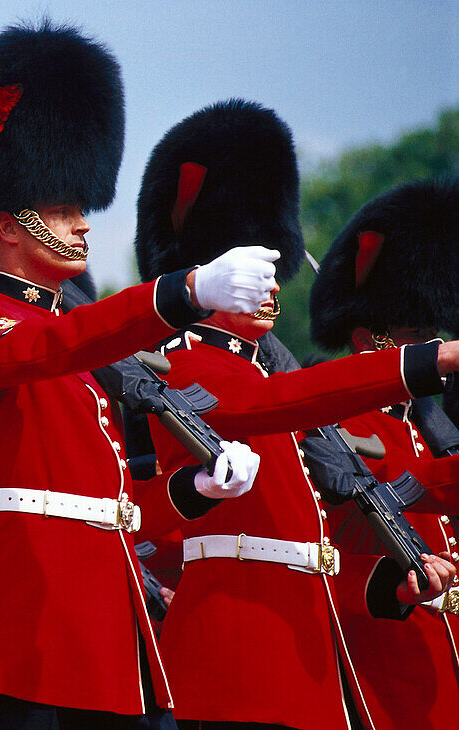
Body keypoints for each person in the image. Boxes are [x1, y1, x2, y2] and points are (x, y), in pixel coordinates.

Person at [0, 22, 270, 729]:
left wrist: (193, 490)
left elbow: (111, 510)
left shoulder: (80, 363)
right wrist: (185, 291)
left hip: (106, 641)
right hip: (23, 632)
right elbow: (56, 344)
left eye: (81, 207)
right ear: (10, 224)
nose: (82, 225)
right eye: (61, 208)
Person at [134, 100, 457, 730]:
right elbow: (272, 407)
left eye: (276, 269)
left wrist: (393, 584)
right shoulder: (191, 369)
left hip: (305, 676)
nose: (274, 286)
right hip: (233, 669)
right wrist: (429, 359)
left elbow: (311, 552)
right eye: (254, 270)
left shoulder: (272, 380)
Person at [305, 177, 459, 730]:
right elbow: (317, 557)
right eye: (420, 333)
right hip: (378, 669)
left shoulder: (430, 429)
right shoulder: (333, 425)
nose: (439, 348)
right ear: (370, 340)